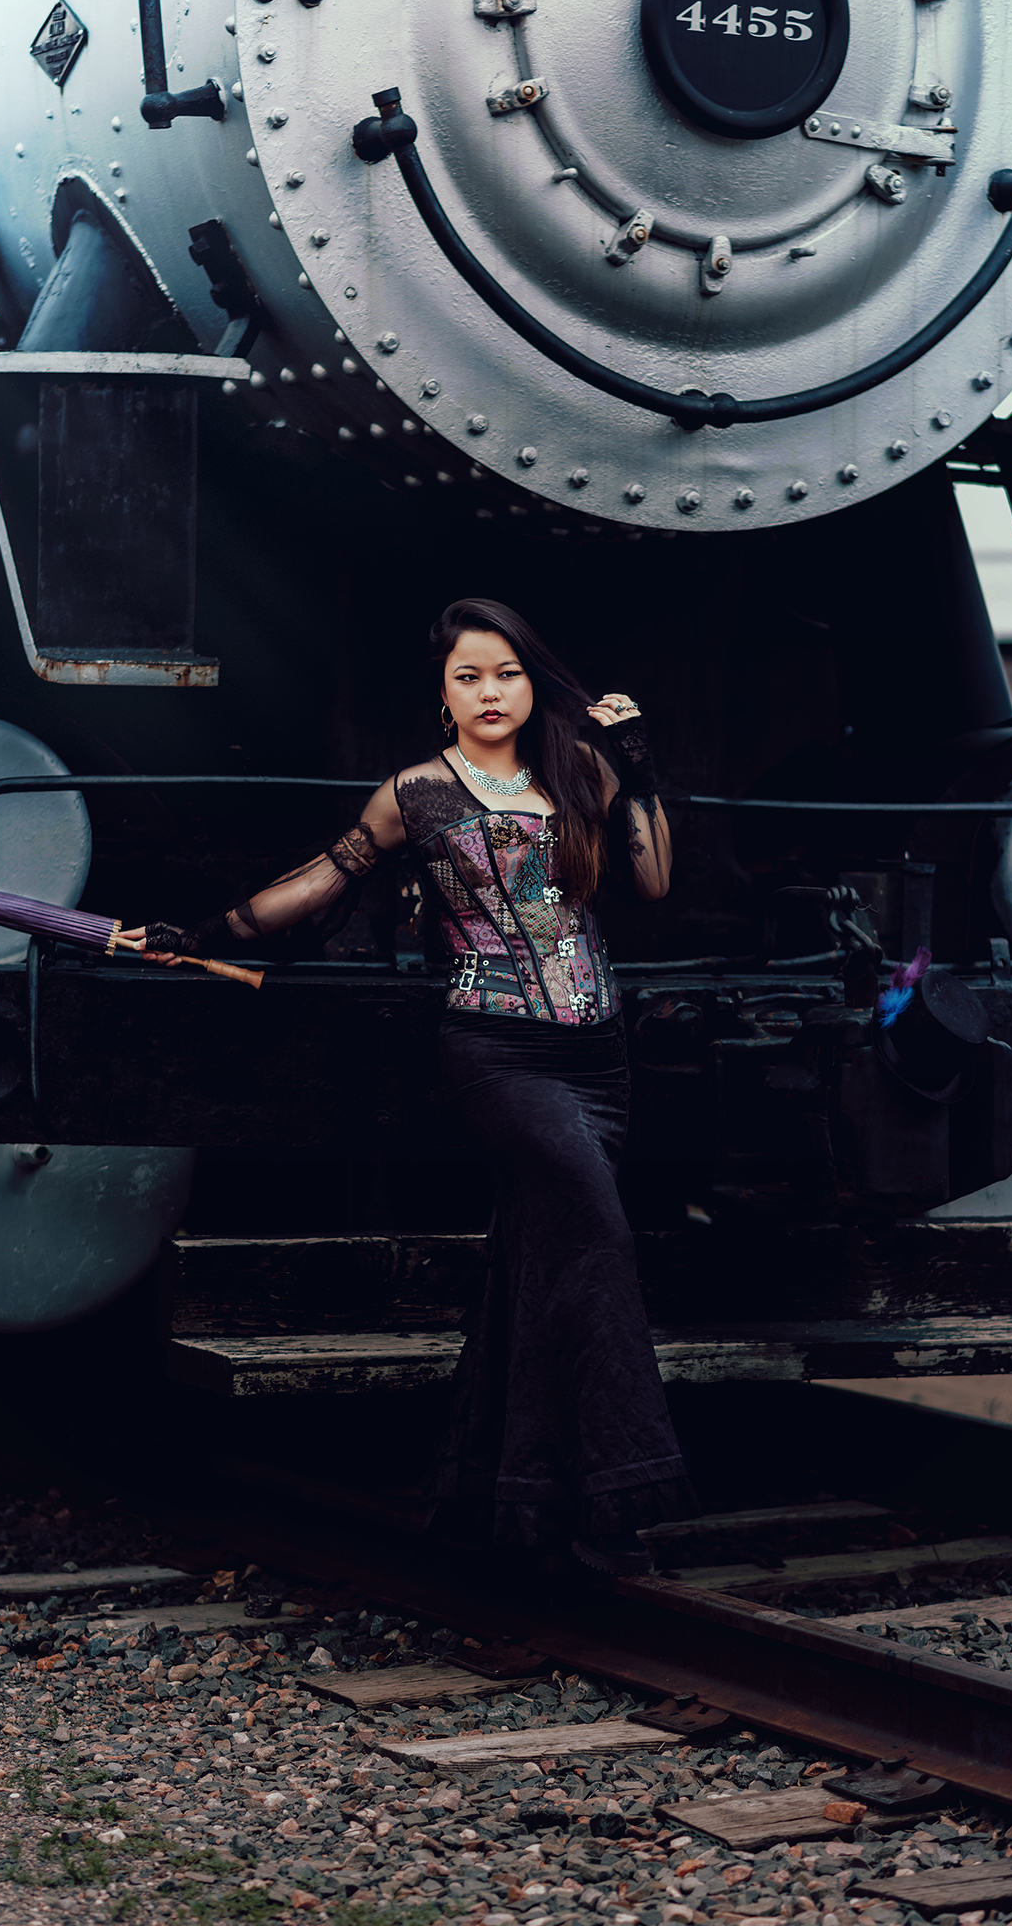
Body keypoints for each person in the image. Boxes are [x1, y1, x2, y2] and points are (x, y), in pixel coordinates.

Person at [122, 598, 697, 1576]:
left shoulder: (578, 770)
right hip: (493, 1052)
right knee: (597, 1231)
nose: (488, 691)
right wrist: (203, 931)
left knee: (540, 1257)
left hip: (598, 1056)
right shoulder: (417, 793)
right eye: (468, 675)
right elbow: (320, 880)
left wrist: (639, 771)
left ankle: (512, 1502)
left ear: (530, 682)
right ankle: (616, 1494)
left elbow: (648, 884)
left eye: (505, 673)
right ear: (442, 692)